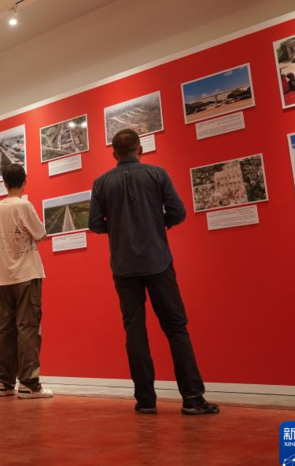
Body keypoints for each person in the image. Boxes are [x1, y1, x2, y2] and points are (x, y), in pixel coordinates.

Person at [88, 129, 219, 416]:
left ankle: (145, 400)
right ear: (140, 149)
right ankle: (192, 398)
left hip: (124, 266)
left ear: (114, 153)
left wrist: (118, 227)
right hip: (158, 260)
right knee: (176, 328)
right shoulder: (157, 174)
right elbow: (178, 212)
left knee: (135, 331)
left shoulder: (101, 183)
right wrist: (159, 222)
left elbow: (95, 223)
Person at [0, 164, 52, 399]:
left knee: (5, 329)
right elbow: (41, 234)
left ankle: (3, 382)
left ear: (4, 183)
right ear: (24, 181)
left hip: (4, 276)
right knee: (28, 327)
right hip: (27, 273)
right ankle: (29, 383)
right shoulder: (24, 205)